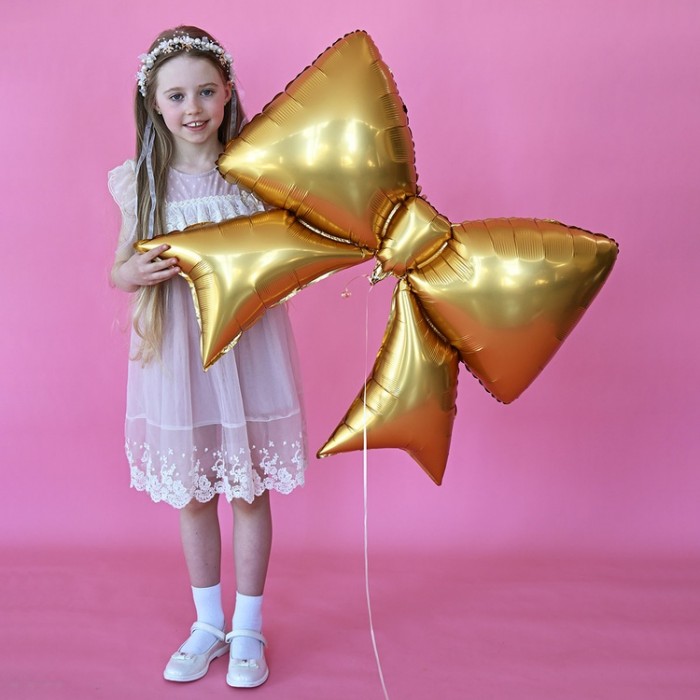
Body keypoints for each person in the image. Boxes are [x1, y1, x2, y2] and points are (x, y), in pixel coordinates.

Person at [109, 25, 306, 688]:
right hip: (178, 357)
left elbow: (288, 255)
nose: (192, 107)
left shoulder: (256, 174)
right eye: (176, 95)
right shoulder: (142, 183)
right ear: (154, 104)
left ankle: (248, 626)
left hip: (247, 349)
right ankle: (208, 623)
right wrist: (133, 271)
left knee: (248, 490)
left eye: (205, 91)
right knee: (194, 494)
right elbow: (118, 268)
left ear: (227, 94)